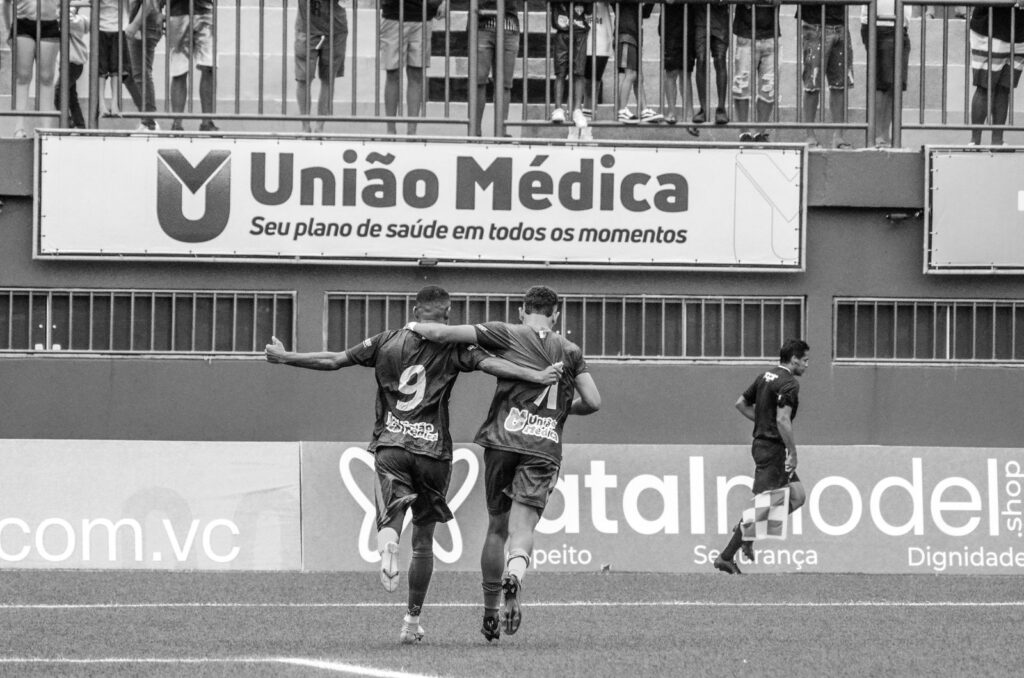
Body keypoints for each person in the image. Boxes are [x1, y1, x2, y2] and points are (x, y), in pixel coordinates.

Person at [265, 286, 560, 644]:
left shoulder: (386, 341)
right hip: (433, 451)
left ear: (415, 309)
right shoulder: (453, 348)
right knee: (422, 542)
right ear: (447, 315)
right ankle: (411, 621)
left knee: (389, 520)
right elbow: (491, 364)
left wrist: (286, 357)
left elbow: (333, 360)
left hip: (391, 445)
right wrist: (535, 375)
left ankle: (387, 542)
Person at [405, 285, 601, 641]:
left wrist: (413, 327)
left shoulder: (506, 332)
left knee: (496, 528)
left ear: (522, 311)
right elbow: (594, 400)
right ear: (556, 315)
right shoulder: (570, 350)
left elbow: (440, 332)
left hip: (501, 442)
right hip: (543, 447)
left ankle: (491, 614)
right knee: (522, 529)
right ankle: (516, 575)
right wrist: (557, 411)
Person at [714, 339, 810, 575]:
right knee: (767, 506)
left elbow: (741, 404)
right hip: (772, 449)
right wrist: (793, 452)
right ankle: (727, 555)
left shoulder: (765, 377)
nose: (807, 365)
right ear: (794, 359)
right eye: (805, 360)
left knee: (797, 497)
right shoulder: (789, 384)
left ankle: (749, 530)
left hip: (762, 445)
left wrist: (761, 423)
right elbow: (782, 420)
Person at [382, 0, 443, 135]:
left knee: (416, 74)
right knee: (393, 74)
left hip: (423, 15)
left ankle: (412, 133)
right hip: (393, 14)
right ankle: (390, 131)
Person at [967, 4, 1024, 146]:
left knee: (1005, 88)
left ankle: (997, 141)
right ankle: (975, 142)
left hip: (1019, 30)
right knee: (985, 86)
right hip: (990, 27)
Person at [800, 3, 854, 148]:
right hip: (814, 24)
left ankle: (838, 137)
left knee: (839, 85)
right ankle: (810, 135)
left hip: (840, 24)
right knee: (812, 84)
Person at [3, 0, 60, 138]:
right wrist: (9, 29)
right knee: (23, 76)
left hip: (49, 23)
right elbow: (6, 3)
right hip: (23, 23)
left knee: (47, 77)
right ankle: (19, 127)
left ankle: (46, 129)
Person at [860, 0, 910, 147]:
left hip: (898, 24)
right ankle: (879, 136)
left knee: (893, 84)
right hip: (883, 23)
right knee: (884, 84)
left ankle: (883, 135)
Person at [295, 0, 348, 134]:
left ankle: (320, 127)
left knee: (328, 79)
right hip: (307, 28)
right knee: (303, 79)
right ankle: (305, 127)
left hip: (335, 29)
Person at [166, 0, 217, 131]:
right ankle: (177, 124)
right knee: (179, 71)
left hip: (204, 10)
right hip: (178, 11)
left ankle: (207, 122)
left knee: (209, 67)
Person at [733, 1, 780, 142]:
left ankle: (760, 132)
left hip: (771, 34)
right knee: (742, 84)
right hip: (746, 33)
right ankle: (744, 133)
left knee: (769, 86)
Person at [473, 0, 521, 136]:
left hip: (508, 25)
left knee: (504, 84)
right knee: (478, 80)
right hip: (482, 24)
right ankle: (474, 132)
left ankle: (500, 132)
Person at [614, 0, 661, 124]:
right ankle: (622, 110)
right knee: (631, 74)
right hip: (626, 35)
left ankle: (644, 109)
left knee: (638, 77)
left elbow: (644, 13)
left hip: (634, 36)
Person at [96, 0, 142, 117]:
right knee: (100, 70)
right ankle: (101, 105)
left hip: (119, 27)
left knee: (117, 69)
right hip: (100, 27)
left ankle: (114, 103)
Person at [548, 0, 591, 125]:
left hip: (580, 32)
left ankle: (577, 109)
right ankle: (558, 108)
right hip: (562, 31)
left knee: (579, 72)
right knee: (560, 72)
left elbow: (591, 11)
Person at [691, 0, 731, 126]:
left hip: (720, 18)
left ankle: (721, 108)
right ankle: (703, 109)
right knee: (701, 59)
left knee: (720, 60)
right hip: (701, 17)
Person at [661, 0, 698, 134]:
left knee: (686, 71)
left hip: (689, 22)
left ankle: (689, 115)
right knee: (671, 71)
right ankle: (671, 111)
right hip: (670, 24)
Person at [55, 3, 89, 129]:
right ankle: (80, 126)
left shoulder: (78, 21)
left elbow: (64, 18)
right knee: (71, 97)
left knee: (59, 94)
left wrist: (72, 5)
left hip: (73, 64)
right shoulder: (71, 20)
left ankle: (68, 123)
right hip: (67, 63)